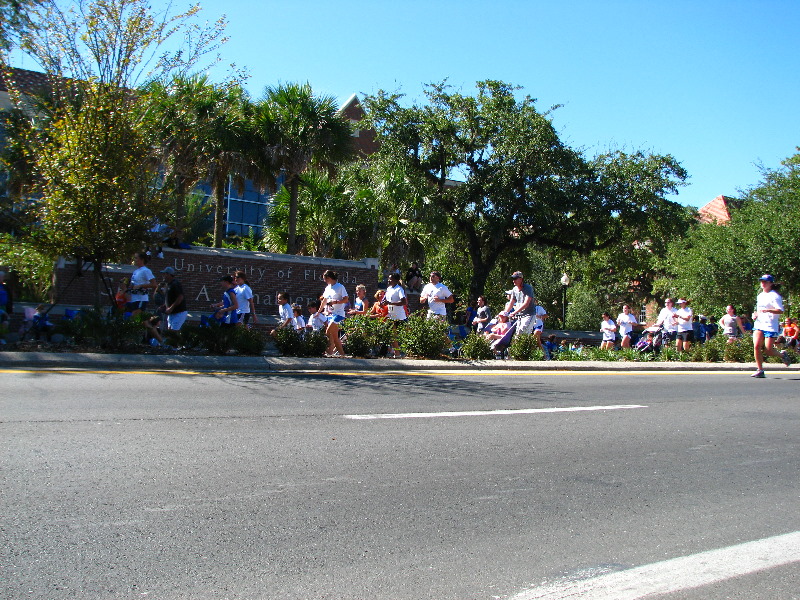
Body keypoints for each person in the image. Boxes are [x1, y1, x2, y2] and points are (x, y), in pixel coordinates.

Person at [751, 274, 791, 378]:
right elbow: (758, 309)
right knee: (756, 346)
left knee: (768, 350)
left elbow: (780, 310)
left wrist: (768, 310)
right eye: (761, 281)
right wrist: (755, 314)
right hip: (759, 323)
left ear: (771, 283)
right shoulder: (760, 295)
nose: (763, 283)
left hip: (770, 325)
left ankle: (782, 355)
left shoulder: (775, 296)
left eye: (765, 282)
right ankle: (760, 370)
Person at [318, 270, 349, 357]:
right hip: (330, 314)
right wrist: (319, 311)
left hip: (339, 313)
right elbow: (324, 300)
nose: (325, 281)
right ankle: (342, 354)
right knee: (335, 337)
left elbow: (346, 299)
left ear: (330, 278)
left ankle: (328, 350)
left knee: (328, 331)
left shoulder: (340, 287)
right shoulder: (328, 288)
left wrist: (336, 302)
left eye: (325, 279)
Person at [382, 272, 407, 358]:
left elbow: (404, 302)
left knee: (395, 335)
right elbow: (385, 298)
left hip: (399, 316)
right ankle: (396, 353)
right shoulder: (389, 288)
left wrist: (391, 303)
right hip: (391, 315)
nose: (388, 280)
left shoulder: (399, 289)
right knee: (390, 334)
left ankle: (398, 352)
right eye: (388, 278)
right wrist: (383, 302)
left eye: (391, 279)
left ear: (396, 280)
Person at [504, 271, 535, 335]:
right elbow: (511, 302)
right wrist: (505, 313)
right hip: (520, 316)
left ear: (521, 279)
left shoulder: (528, 288)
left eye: (515, 279)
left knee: (523, 333)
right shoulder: (514, 289)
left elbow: (526, 303)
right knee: (517, 335)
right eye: (513, 279)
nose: (513, 281)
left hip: (528, 315)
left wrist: (514, 313)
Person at [158, 267, 188, 331]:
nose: (163, 276)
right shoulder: (168, 285)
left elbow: (180, 297)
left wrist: (171, 308)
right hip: (172, 314)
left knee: (174, 333)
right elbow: (170, 299)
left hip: (179, 313)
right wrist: (164, 306)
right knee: (170, 333)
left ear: (169, 275)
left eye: (164, 274)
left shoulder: (175, 284)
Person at [0, 271, 12, 344]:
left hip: (4, 307)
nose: (2, 278)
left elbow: (9, 298)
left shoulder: (5, 287)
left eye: (3, 277)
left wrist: (9, 309)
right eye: (1, 277)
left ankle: (2, 338)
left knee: (4, 323)